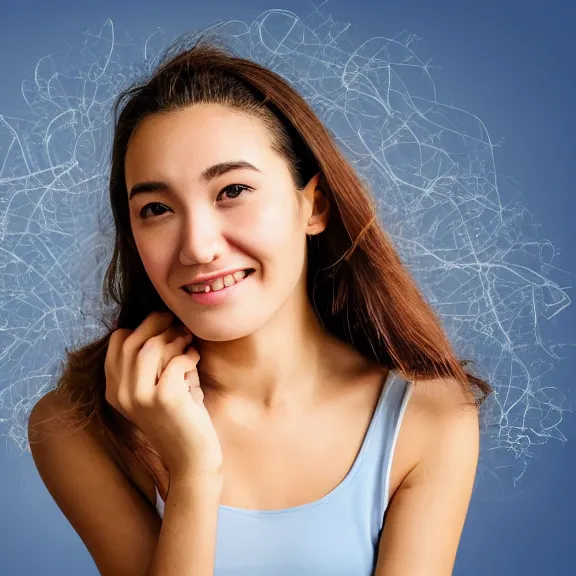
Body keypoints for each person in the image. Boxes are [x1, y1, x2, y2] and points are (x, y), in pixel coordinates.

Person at [27, 39, 491, 576]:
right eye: (156, 208)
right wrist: (194, 473)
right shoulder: (79, 425)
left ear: (313, 205)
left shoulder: (427, 419)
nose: (198, 246)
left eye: (233, 191)